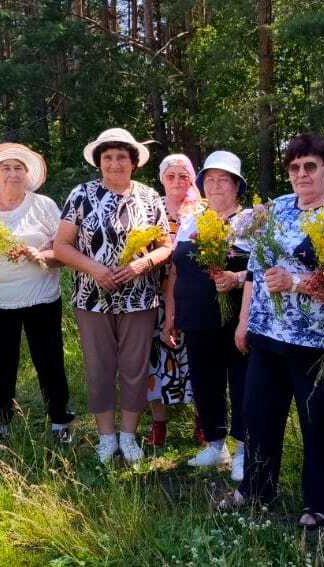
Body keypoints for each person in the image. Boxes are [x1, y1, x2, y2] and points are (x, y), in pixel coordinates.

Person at [225, 133, 324, 529]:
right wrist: (245, 321)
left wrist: (295, 284)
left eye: (311, 166)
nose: (302, 174)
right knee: (258, 418)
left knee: (320, 424)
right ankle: (256, 489)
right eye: (295, 167)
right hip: (267, 335)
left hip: (317, 341)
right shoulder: (275, 209)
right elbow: (253, 269)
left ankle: (321, 503)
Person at [54, 128, 171, 464]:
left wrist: (141, 265)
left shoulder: (150, 198)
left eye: (122, 157)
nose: (115, 163)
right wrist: (94, 269)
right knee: (99, 366)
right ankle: (106, 436)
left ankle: (129, 435)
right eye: (108, 157)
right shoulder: (81, 194)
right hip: (92, 297)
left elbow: (166, 246)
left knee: (135, 368)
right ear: (99, 162)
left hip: (139, 298)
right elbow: (60, 246)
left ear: (133, 163)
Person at [0, 143, 75, 444]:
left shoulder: (45, 206)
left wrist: (38, 254)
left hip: (41, 298)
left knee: (49, 360)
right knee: (1, 364)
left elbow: (63, 251)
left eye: (18, 168)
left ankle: (60, 421)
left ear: (27, 174)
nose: (12, 174)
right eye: (5, 168)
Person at [165, 150, 250, 479]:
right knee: (204, 381)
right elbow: (177, 268)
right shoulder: (192, 219)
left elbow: (259, 270)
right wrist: (173, 313)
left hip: (234, 317)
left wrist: (234, 279)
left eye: (223, 180)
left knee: (241, 381)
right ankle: (215, 445)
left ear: (236, 186)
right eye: (210, 180)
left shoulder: (249, 221)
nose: (215, 185)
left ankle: (243, 448)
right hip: (196, 316)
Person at [145, 153, 204, 448]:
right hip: (154, 295)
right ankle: (159, 424)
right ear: (161, 179)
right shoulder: (149, 209)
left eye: (185, 176)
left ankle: (202, 420)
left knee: (197, 358)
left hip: (192, 295)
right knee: (155, 360)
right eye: (171, 176)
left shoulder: (203, 211)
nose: (178, 182)